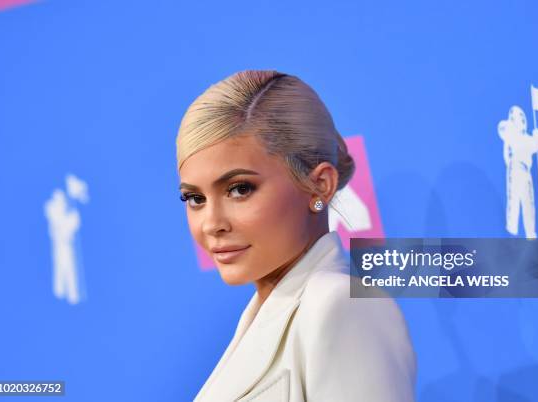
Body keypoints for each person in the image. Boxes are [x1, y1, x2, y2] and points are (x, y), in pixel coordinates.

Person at [176, 70, 417, 401]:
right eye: (195, 199)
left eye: (239, 189)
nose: (210, 223)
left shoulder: (339, 306)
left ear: (321, 184)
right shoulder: (264, 315)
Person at [498, 106, 538, 239]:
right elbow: (503, 129)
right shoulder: (510, 132)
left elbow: (535, 145)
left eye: (523, 117)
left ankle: (531, 232)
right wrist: (512, 124)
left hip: (526, 170)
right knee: (514, 198)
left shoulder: (526, 138)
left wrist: (537, 136)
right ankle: (511, 229)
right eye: (519, 117)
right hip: (516, 167)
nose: (522, 120)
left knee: (528, 201)